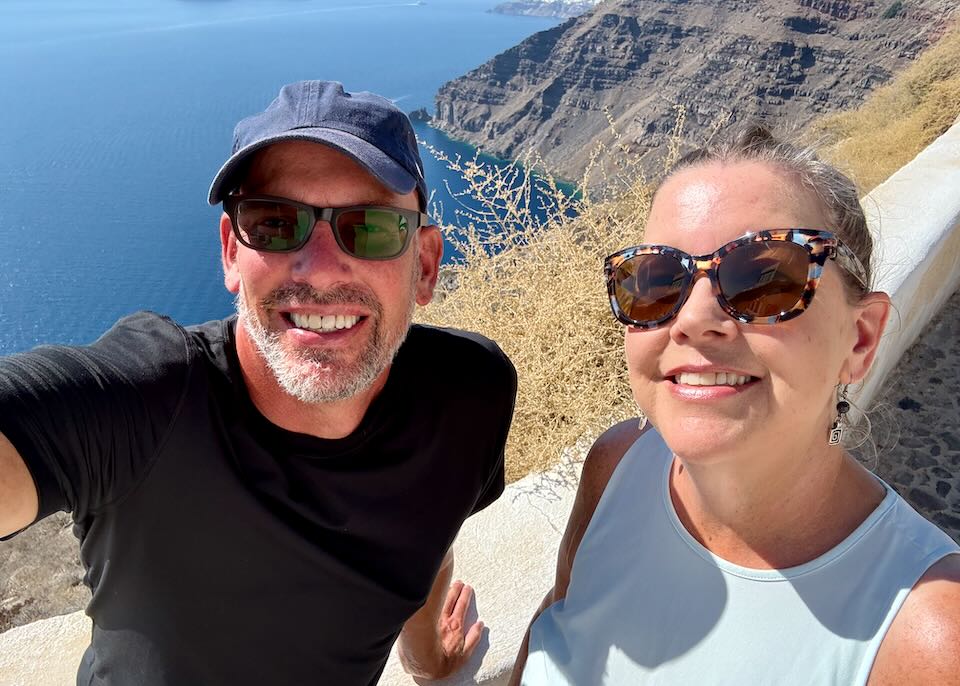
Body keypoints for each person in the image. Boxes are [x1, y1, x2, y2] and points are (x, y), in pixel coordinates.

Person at [0, 80, 517, 685]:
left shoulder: (468, 397)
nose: (320, 270)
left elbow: (430, 525)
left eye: (371, 228)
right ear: (229, 253)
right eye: (275, 223)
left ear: (425, 265)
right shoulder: (148, 405)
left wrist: (428, 659)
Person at [510, 124, 960, 685]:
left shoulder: (931, 638)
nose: (693, 319)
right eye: (655, 280)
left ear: (860, 338)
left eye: (765, 279)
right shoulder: (618, 462)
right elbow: (555, 626)